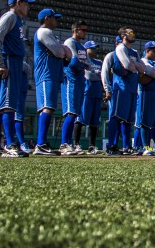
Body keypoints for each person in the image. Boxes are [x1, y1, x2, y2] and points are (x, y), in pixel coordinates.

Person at [0, 0, 34, 157]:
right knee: (6, 104)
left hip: (13, 62)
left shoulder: (17, 20)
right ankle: (9, 144)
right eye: (26, 3)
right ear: (18, 3)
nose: (28, 7)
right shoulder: (10, 17)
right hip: (7, 62)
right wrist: (0, 64)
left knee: (5, 105)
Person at [32, 8, 71, 156]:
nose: (57, 21)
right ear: (47, 18)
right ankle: (40, 144)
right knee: (47, 107)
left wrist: (60, 50)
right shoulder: (44, 32)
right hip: (46, 74)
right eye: (55, 18)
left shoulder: (50, 34)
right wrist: (60, 50)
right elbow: (61, 53)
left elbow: (68, 54)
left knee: (49, 108)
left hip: (52, 74)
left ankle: (42, 143)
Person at [107, 27, 144, 155]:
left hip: (132, 88)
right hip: (121, 86)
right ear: (123, 35)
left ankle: (127, 146)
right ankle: (111, 145)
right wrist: (135, 67)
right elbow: (127, 65)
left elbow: (142, 68)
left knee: (128, 119)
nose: (133, 35)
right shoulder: (120, 48)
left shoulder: (134, 52)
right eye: (131, 33)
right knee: (116, 116)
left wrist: (135, 67)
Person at [61, 20, 90, 155]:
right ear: (76, 30)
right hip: (71, 80)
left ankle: (69, 143)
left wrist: (82, 64)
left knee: (75, 113)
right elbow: (73, 62)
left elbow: (87, 64)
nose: (85, 33)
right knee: (70, 112)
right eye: (83, 30)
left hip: (79, 81)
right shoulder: (70, 42)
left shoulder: (82, 47)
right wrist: (82, 64)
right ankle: (64, 143)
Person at [75, 40, 103, 154]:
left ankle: (92, 146)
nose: (95, 50)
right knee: (81, 119)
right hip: (87, 93)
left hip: (97, 94)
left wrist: (97, 75)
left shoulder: (99, 62)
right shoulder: (84, 61)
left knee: (95, 122)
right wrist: (98, 75)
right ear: (86, 50)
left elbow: (103, 75)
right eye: (92, 48)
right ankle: (76, 144)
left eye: (96, 48)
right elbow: (89, 76)